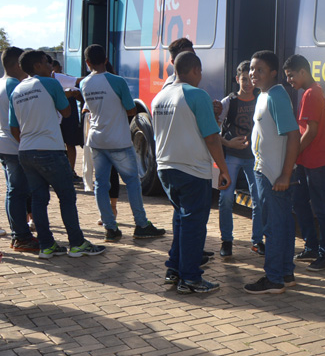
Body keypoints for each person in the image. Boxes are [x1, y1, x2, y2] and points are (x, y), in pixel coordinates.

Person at [9, 50, 105, 258]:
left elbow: (13, 128)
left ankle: (47, 245)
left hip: (26, 151)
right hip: (50, 149)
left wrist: (29, 142)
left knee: (38, 199)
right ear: (37, 66)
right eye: (46, 63)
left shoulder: (16, 91)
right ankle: (77, 243)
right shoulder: (49, 83)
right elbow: (66, 111)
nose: (50, 67)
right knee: (67, 197)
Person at [152, 51, 230, 294]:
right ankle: (191, 278)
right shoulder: (197, 95)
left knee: (181, 222)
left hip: (166, 168)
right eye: (200, 72)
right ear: (195, 70)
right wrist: (223, 170)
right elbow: (211, 138)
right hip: (192, 170)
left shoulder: (159, 97)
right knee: (194, 226)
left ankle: (174, 270)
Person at [80, 44, 166, 241]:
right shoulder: (117, 81)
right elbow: (131, 109)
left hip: (96, 140)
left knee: (101, 184)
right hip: (118, 140)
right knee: (133, 182)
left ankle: (111, 228)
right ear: (106, 59)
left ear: (87, 63)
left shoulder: (84, 84)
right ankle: (141, 224)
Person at [244, 50, 299, 294]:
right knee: (281, 225)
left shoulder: (277, 95)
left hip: (273, 175)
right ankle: (285, 274)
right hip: (267, 171)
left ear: (273, 73)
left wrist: (285, 174)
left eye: (260, 70)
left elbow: (294, 136)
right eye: (251, 69)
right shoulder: (264, 95)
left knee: (274, 227)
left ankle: (275, 278)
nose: (253, 74)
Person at [284, 54, 325, 271]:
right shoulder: (311, 91)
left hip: (316, 160)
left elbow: (311, 132)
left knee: (321, 208)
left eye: (291, 76)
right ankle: (312, 247)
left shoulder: (311, 94)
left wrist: (293, 153)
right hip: (307, 160)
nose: (289, 80)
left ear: (303, 72)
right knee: (299, 202)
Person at [215, 61, 262, 257]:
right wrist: (228, 144)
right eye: (243, 79)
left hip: (255, 157)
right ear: (237, 79)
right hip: (232, 157)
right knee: (226, 198)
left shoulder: (262, 99)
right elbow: (213, 132)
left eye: (250, 79)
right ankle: (227, 241)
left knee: (259, 199)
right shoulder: (229, 102)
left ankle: (257, 241)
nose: (248, 83)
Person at [1, 47, 35, 251]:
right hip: (16, 145)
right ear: (16, 65)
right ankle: (21, 235)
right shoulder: (17, 86)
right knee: (18, 192)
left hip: (4, 145)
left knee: (12, 191)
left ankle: (18, 233)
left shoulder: (2, 83)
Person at [52, 58, 84, 181]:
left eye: (55, 70)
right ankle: (60, 172)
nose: (54, 72)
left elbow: (79, 95)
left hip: (69, 117)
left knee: (70, 143)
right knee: (58, 145)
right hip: (57, 117)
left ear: (59, 68)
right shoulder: (49, 81)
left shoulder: (65, 79)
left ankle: (70, 170)